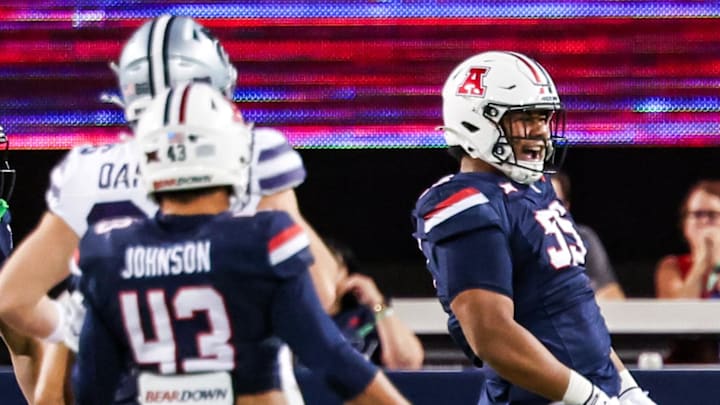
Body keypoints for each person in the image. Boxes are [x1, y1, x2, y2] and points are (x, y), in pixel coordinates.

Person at [0, 15, 337, 404]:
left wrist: (77, 325)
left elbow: (13, 299)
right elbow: (321, 291)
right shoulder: (252, 155)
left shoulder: (91, 172)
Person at [71, 82, 410, 405]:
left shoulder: (107, 250)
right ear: (231, 151)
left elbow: (91, 386)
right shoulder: (262, 241)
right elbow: (331, 359)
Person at [411, 51, 655, 404]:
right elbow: (492, 335)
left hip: (592, 389)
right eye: (526, 118)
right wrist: (589, 399)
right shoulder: (463, 202)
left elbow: (575, 305)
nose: (540, 131)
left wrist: (625, 386)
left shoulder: (536, 186)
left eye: (543, 118)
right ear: (477, 121)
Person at [325, 239, 424, 370]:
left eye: (330, 267)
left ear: (346, 273)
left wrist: (377, 303)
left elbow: (407, 363)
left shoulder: (368, 317)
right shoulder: (295, 317)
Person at [654, 179, 720, 363]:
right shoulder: (671, 267)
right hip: (688, 363)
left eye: (713, 215)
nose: (705, 221)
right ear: (685, 224)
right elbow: (677, 316)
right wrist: (702, 264)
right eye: (697, 214)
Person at [550, 171, 625, 300]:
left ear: (566, 207)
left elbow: (612, 293)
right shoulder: (509, 241)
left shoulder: (583, 237)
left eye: (554, 202)